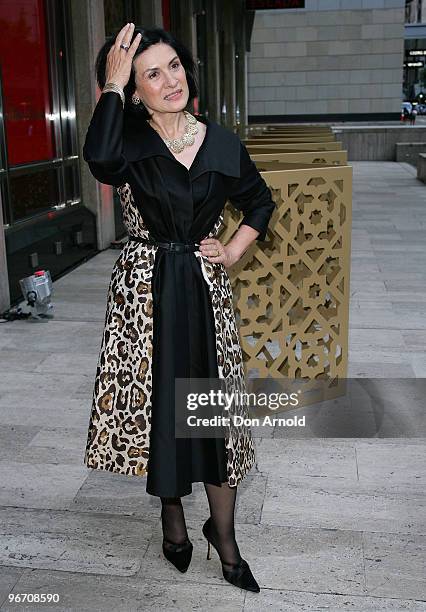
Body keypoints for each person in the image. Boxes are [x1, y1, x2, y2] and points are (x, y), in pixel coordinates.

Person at [82, 23, 275, 593]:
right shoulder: (127, 143)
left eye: (175, 66)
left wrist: (232, 249)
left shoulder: (220, 142)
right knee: (159, 408)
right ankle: (172, 519)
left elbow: (259, 202)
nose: (172, 81)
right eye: (152, 74)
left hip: (206, 294)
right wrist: (112, 86)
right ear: (135, 91)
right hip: (144, 294)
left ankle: (225, 535)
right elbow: (97, 158)